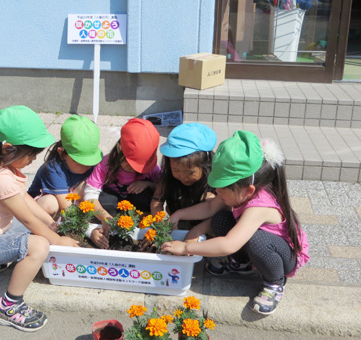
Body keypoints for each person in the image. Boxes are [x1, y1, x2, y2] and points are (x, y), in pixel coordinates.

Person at [0, 105, 79, 332]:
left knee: (42, 225)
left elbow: (26, 200)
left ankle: (3, 260)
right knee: (40, 245)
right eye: (30, 153)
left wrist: (51, 224)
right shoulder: (1, 178)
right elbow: (29, 220)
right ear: (8, 148)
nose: (33, 158)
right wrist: (57, 240)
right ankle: (9, 305)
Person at [161, 130, 309, 315]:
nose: (216, 192)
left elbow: (229, 244)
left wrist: (185, 248)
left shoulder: (259, 207)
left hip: (284, 257)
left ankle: (275, 283)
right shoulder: (239, 191)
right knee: (221, 219)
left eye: (221, 189)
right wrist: (178, 215)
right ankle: (243, 264)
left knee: (257, 240)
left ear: (248, 190)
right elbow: (209, 209)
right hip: (258, 244)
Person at [85, 118, 161, 249]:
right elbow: (90, 196)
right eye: (131, 165)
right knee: (105, 198)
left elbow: (161, 189)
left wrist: (147, 184)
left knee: (144, 196)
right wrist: (105, 218)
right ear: (119, 149)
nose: (136, 170)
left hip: (137, 207)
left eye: (141, 167)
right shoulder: (105, 164)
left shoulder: (151, 168)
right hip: (113, 207)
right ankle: (113, 228)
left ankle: (141, 225)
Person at [28, 114, 103, 219]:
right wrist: (89, 230)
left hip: (70, 202)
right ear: (61, 153)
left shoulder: (92, 165)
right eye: (79, 161)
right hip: (44, 209)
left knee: (92, 185)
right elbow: (67, 208)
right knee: (50, 203)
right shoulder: (53, 168)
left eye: (89, 160)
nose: (86, 165)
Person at [150, 123, 216, 242]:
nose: (182, 176)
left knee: (211, 199)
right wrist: (162, 228)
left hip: (206, 226)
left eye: (190, 173)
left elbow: (217, 210)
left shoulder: (215, 182)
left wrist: (195, 233)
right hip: (179, 223)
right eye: (176, 170)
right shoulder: (168, 179)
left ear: (205, 165)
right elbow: (156, 202)